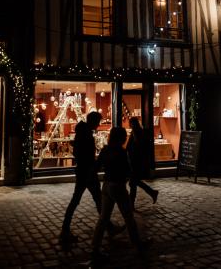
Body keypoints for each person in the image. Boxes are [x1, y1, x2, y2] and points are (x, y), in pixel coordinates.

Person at [60, 111, 122, 243]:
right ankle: (65, 230)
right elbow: (85, 154)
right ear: (93, 121)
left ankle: (65, 229)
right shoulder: (86, 134)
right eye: (98, 122)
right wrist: (93, 165)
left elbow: (79, 152)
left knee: (88, 199)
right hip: (87, 172)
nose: (99, 125)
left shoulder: (83, 132)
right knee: (94, 200)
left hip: (84, 171)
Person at [91, 126, 150, 263]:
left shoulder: (105, 150)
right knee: (129, 217)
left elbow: (97, 166)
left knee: (103, 218)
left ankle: (95, 248)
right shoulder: (122, 152)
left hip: (106, 185)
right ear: (122, 138)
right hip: (118, 186)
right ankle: (138, 244)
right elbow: (127, 170)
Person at [126, 117, 158, 208]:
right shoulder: (136, 133)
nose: (130, 125)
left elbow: (135, 147)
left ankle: (131, 203)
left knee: (133, 182)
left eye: (131, 123)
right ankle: (152, 193)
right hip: (135, 161)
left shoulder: (138, 133)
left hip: (136, 162)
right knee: (134, 182)